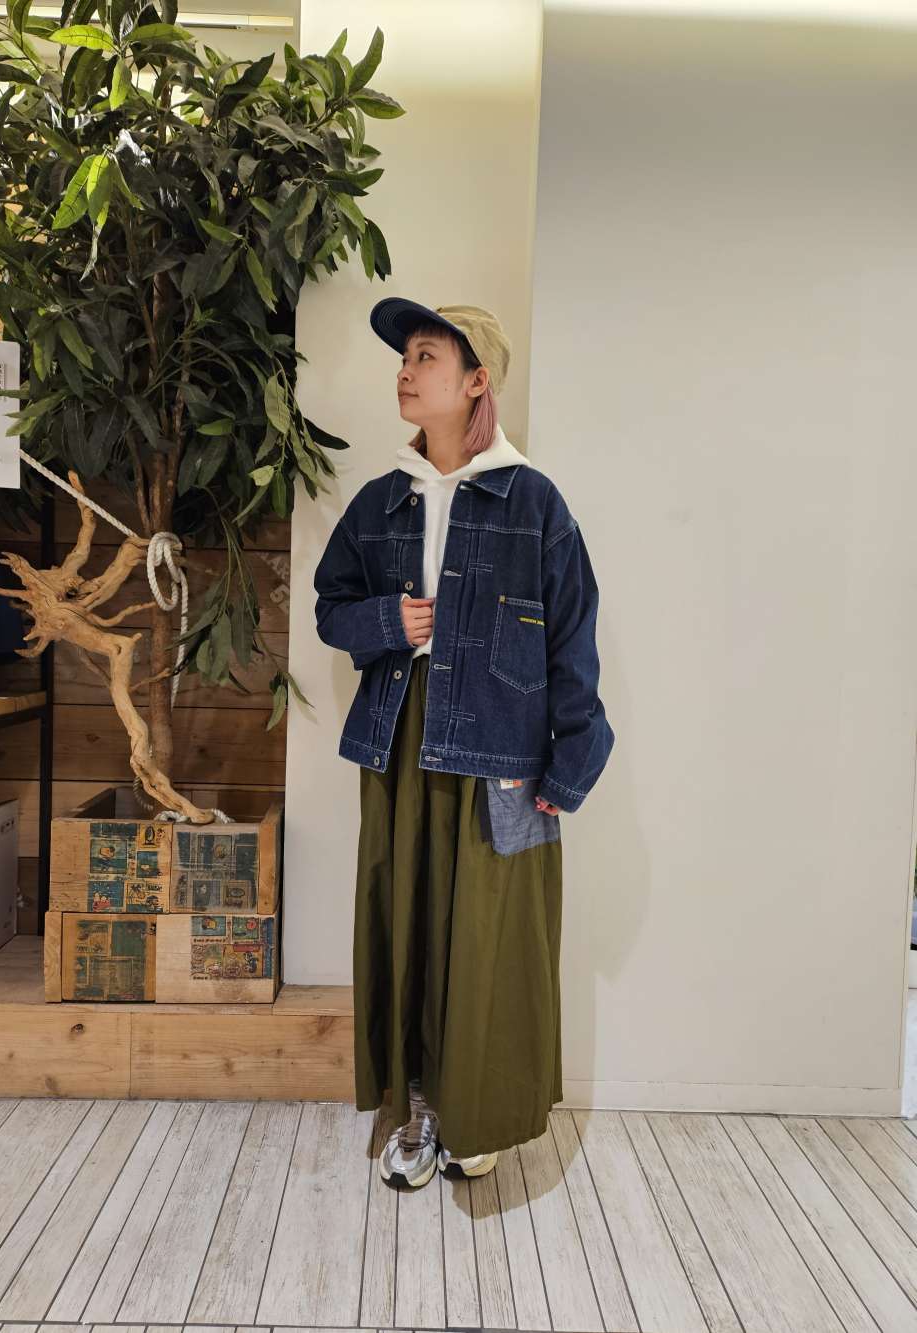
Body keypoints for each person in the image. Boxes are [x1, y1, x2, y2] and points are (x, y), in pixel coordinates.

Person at [313, 299, 615, 1190]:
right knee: (406, 925)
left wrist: (572, 762)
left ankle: (473, 1117)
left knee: (486, 941)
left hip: (502, 755)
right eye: (405, 357)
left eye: (426, 357)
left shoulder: (535, 502)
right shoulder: (382, 500)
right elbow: (331, 607)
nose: (405, 372)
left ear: (477, 381)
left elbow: (573, 637)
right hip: (400, 743)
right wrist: (388, 621)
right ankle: (416, 1109)